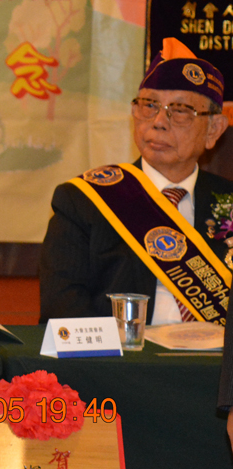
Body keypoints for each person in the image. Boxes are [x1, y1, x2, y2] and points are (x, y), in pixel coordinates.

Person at [39, 39, 231, 325]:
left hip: (216, 355)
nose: (158, 121)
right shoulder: (84, 201)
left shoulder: (228, 200)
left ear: (214, 129)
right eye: (149, 105)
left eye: (180, 110)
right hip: (124, 353)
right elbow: (62, 310)